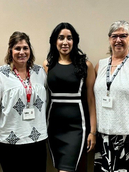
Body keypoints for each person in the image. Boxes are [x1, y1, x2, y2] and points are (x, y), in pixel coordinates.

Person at [0, 31, 48, 172]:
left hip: (37, 139)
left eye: (25, 48)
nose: (22, 52)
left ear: (30, 50)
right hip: (10, 141)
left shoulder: (40, 72)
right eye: (17, 48)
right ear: (10, 50)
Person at [93, 20, 129, 172]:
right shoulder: (100, 65)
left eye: (123, 36)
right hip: (104, 138)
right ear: (109, 39)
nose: (118, 40)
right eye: (114, 36)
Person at [43, 22, 96, 172]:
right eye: (61, 38)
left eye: (69, 38)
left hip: (77, 127)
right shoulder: (48, 65)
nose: (65, 42)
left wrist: (93, 131)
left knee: (67, 169)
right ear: (55, 41)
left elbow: (91, 101)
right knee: (61, 168)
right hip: (53, 126)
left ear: (74, 41)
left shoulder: (86, 65)